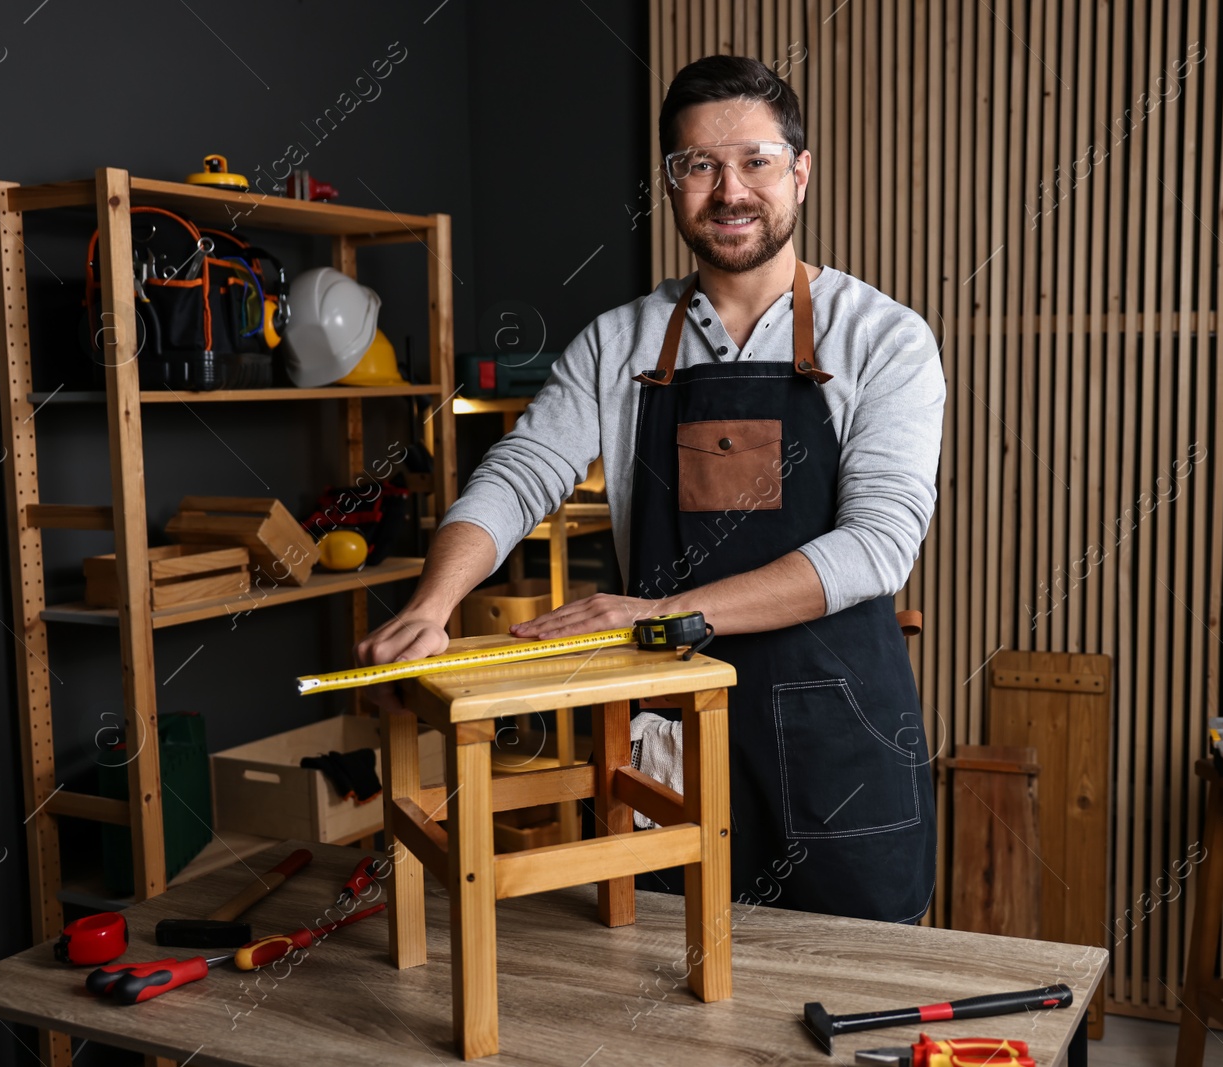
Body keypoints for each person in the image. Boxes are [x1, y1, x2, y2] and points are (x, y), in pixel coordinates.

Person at [357, 54, 944, 924]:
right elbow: (521, 474)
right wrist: (436, 599)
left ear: (802, 173)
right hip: (673, 740)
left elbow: (879, 542)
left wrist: (661, 616)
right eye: (698, 165)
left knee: (854, 1008)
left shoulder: (884, 337)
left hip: (841, 741)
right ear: (669, 185)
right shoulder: (617, 342)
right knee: (674, 995)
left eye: (756, 160)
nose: (729, 190)